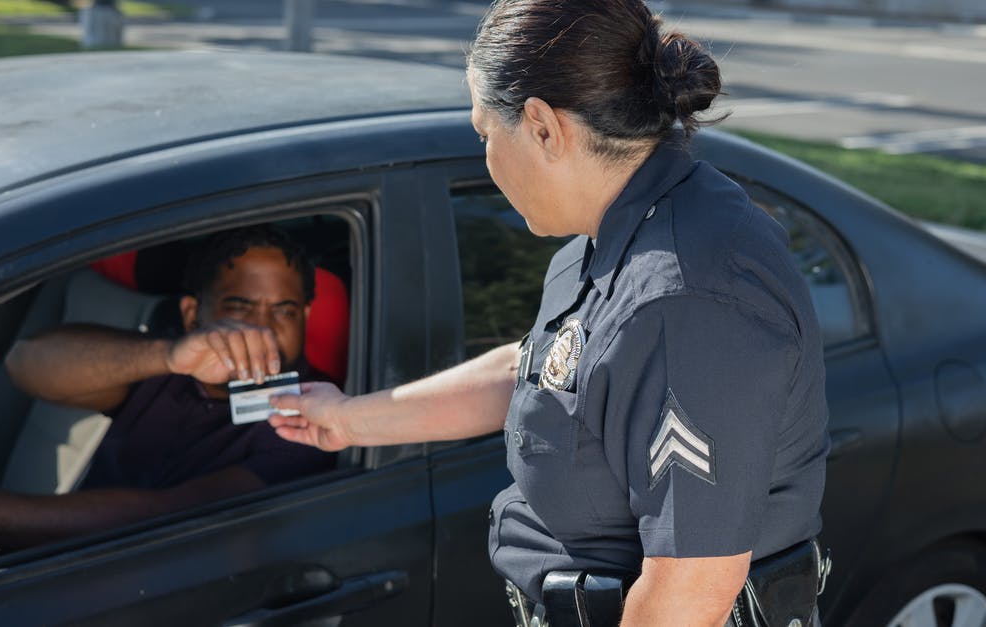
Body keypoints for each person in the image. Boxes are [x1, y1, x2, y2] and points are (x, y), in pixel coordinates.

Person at [267, 1, 829, 626]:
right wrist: (344, 420)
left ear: (541, 126)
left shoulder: (684, 298)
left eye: (485, 132)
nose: (484, 154)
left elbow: (689, 590)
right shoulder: (613, 235)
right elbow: (543, 374)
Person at [0, 226, 336, 561]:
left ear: (306, 317)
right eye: (240, 306)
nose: (260, 327)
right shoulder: (174, 364)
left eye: (284, 311)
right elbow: (27, 364)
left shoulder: (310, 412)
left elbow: (157, 517)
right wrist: (170, 355)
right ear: (193, 313)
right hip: (42, 570)